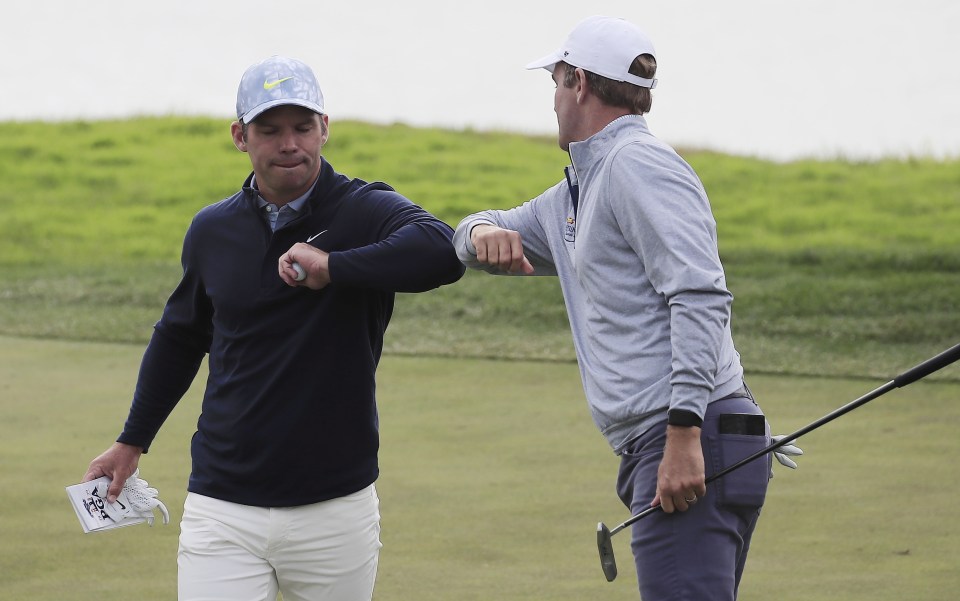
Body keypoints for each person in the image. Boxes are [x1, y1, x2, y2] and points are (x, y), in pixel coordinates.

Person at [83, 55, 465, 601]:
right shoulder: (212, 229)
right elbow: (181, 336)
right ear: (241, 136)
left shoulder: (363, 209)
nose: (290, 143)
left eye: (303, 127)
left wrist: (333, 266)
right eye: (270, 129)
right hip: (223, 505)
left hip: (336, 506)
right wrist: (131, 441)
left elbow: (440, 252)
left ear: (324, 129)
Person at [453, 16, 799, 600]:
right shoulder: (574, 191)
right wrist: (480, 231)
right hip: (689, 434)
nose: (554, 102)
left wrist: (684, 433)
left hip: (688, 434)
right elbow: (470, 236)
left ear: (579, 83)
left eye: (557, 84)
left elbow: (698, 294)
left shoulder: (637, 166)